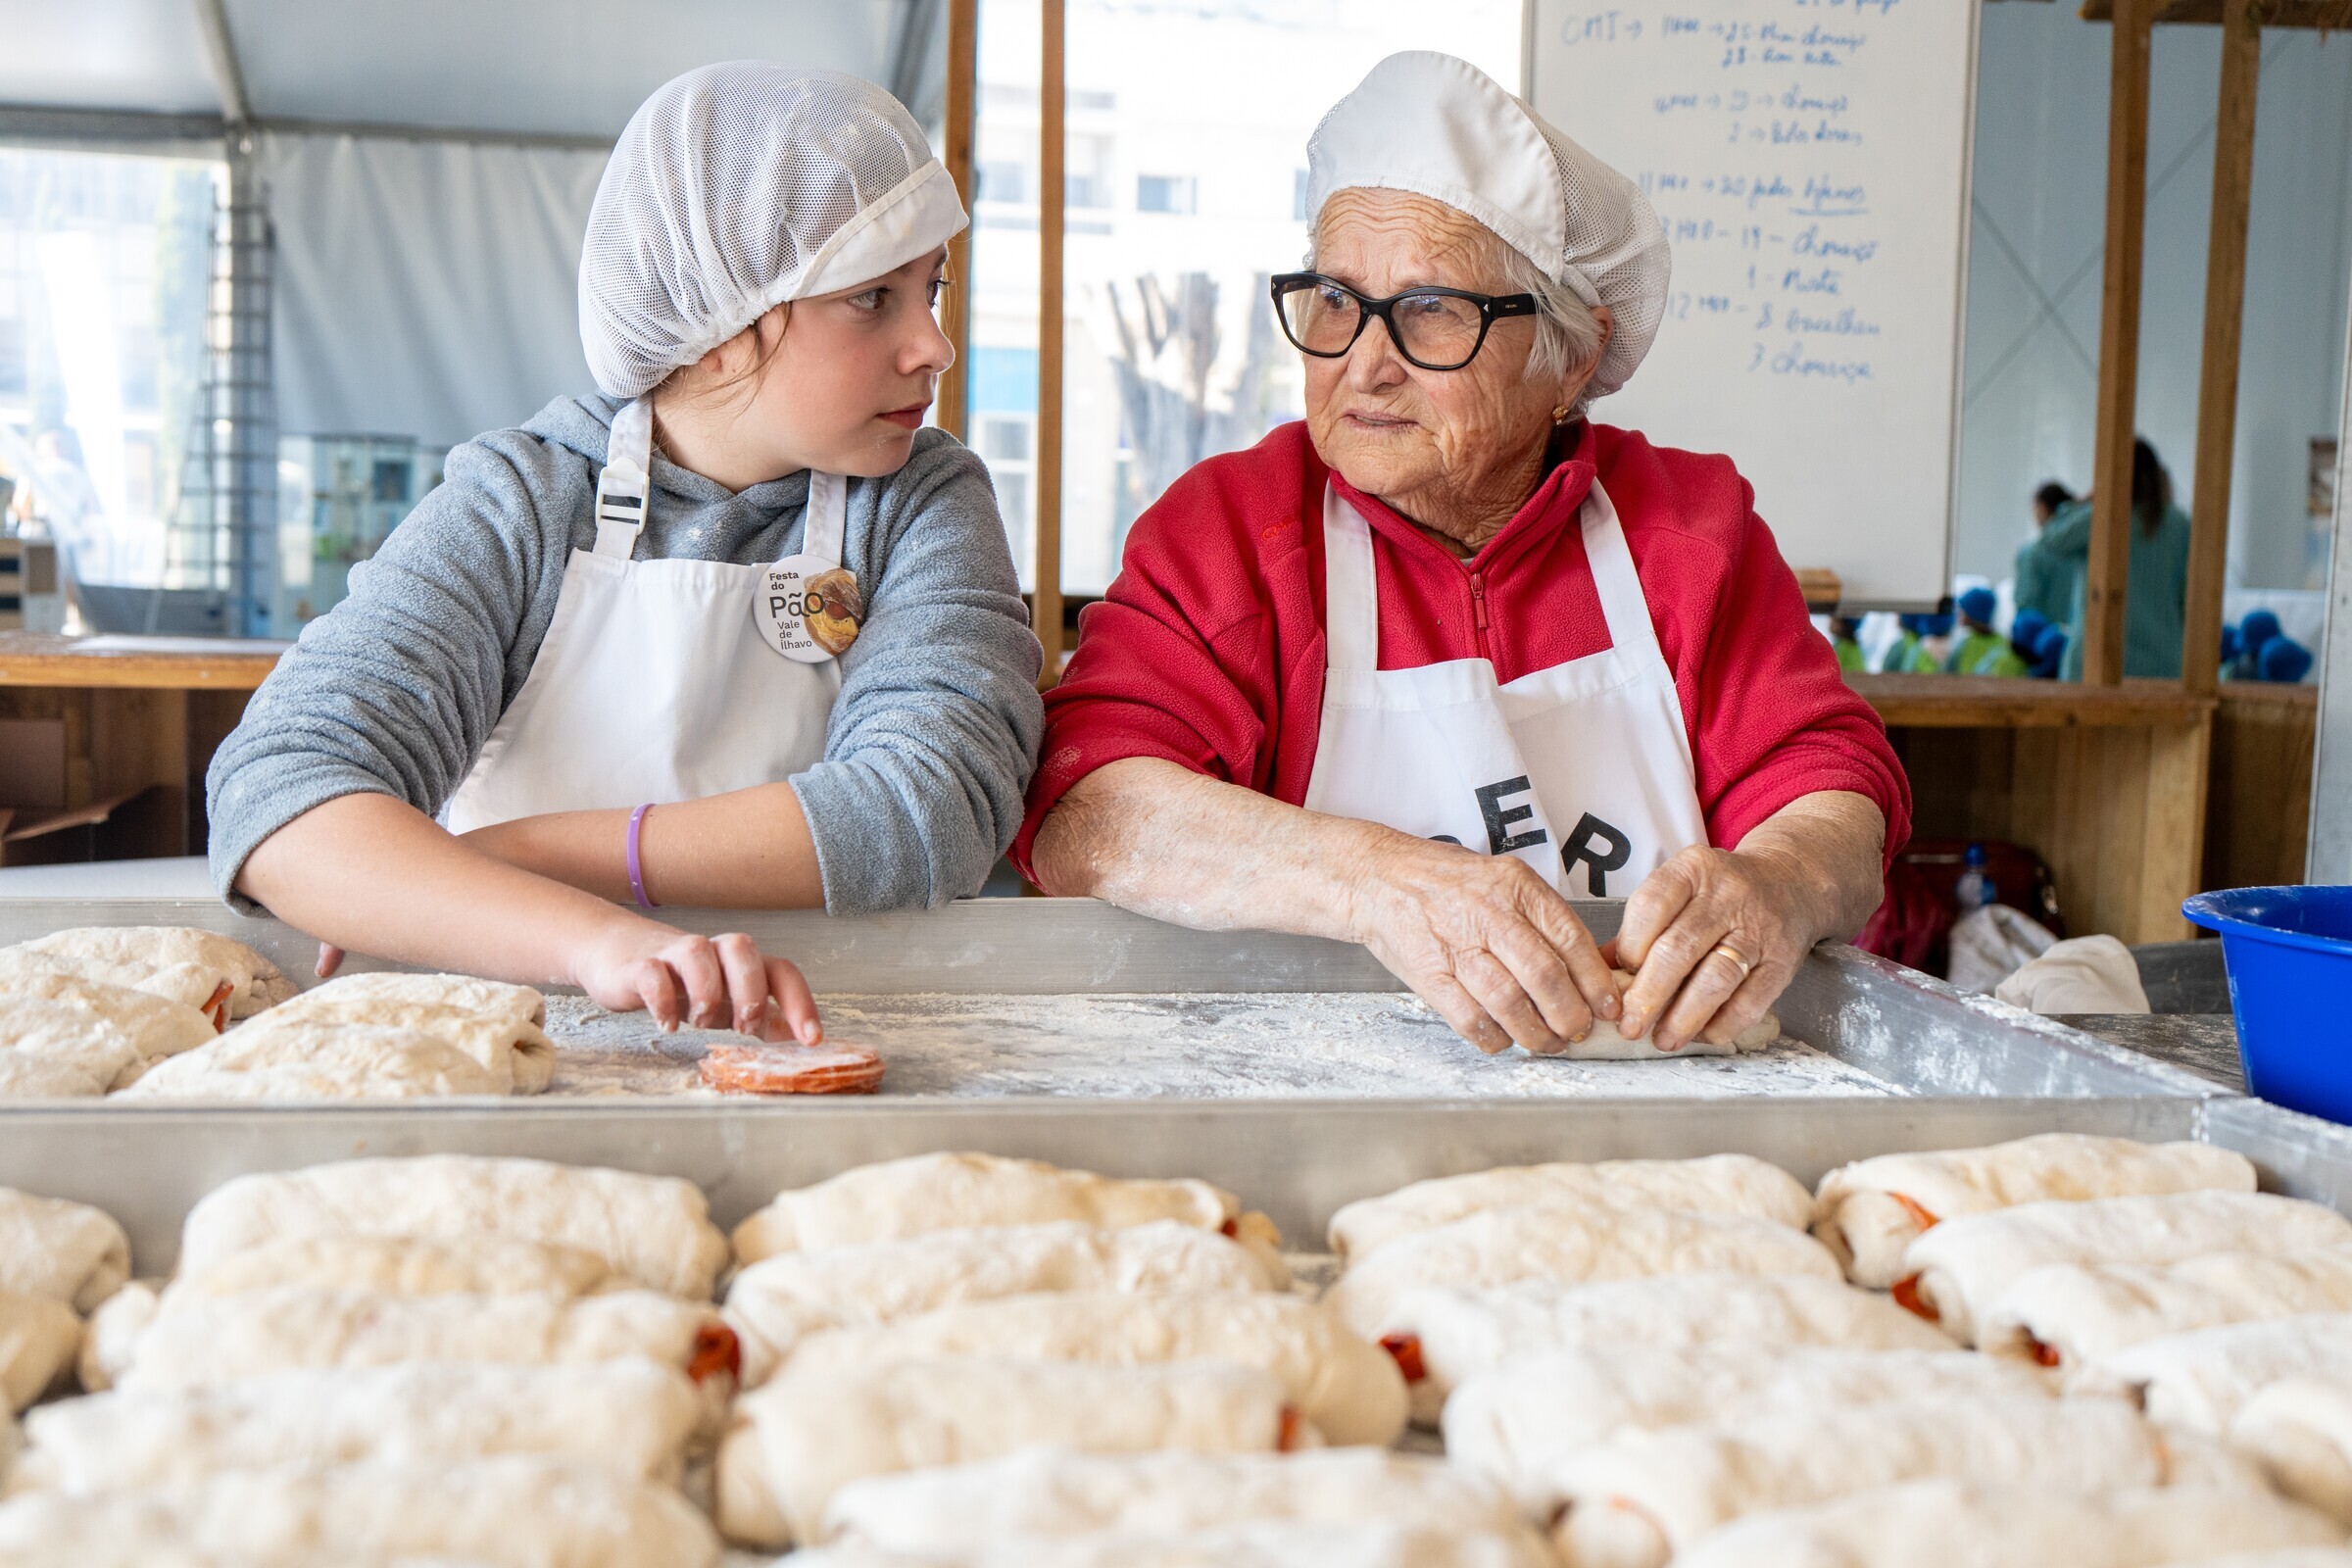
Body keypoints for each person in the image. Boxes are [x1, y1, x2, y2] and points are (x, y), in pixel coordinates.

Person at [1013, 53, 1908, 1057]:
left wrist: (1780, 882)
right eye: (1335, 301)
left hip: (1645, 1096)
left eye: (1432, 309)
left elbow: (1825, 779)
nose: (1364, 362)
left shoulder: (1687, 527)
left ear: (1570, 355)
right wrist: (1381, 884)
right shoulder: (1231, 531)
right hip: (1313, 1088)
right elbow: (1088, 810)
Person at [208, 65, 1045, 1039]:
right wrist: (600, 943)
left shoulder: (921, 503)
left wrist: (523, 855)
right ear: (725, 324)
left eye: (930, 290)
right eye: (874, 299)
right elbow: (278, 795)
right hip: (522, 1041)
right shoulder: (525, 503)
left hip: (828, 1044)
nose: (933, 346)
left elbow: (932, 804)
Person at [2038, 439, 2191, 680]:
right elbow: (2188, 598)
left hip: (2096, 665)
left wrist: (2083, 501)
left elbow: (2050, 539)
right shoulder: (2179, 525)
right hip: (2162, 666)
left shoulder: (2101, 518)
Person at [2012, 480, 2077, 624]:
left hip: (2039, 640)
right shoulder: (2081, 553)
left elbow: (2026, 606)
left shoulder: (2033, 554)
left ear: (2041, 507)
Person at [1945, 587, 2026, 676]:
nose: (1959, 613)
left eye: (1963, 610)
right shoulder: (1963, 643)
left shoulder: (2003, 645)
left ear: (1974, 613)